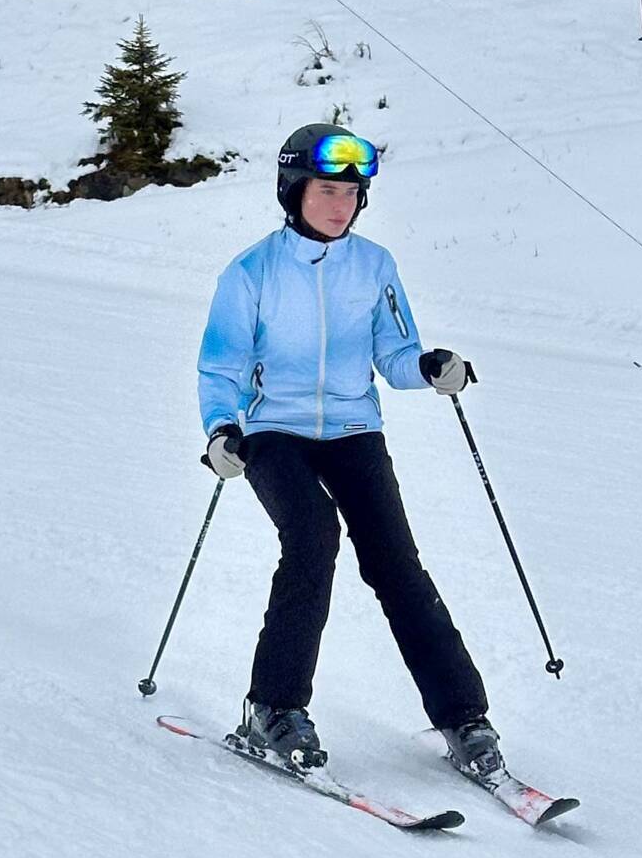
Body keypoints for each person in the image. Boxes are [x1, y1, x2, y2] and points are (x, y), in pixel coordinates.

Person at [196, 121, 502, 780]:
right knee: (311, 538)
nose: (342, 205)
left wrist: (429, 367)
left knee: (396, 565)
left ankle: (463, 718)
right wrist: (221, 430)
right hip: (272, 432)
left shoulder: (374, 266)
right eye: (327, 190)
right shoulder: (250, 272)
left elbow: (394, 353)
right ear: (293, 191)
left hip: (353, 430)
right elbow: (221, 366)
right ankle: (273, 708)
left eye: (352, 193)